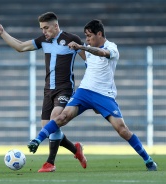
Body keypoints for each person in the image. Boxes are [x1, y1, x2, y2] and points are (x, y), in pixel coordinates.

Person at [28, 19, 158, 171]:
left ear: (99, 34)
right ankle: (37, 140)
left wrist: (82, 47)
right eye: (86, 36)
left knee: (122, 129)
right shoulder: (88, 49)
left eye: (89, 36)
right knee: (62, 117)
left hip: (104, 96)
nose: (87, 39)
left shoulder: (111, 47)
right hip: (84, 92)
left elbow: (102, 53)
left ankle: (148, 159)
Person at [0, 12, 87, 172]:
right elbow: (20, 47)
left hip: (65, 89)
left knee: (54, 118)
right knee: (50, 127)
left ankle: (50, 163)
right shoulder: (44, 40)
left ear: (55, 26)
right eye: (42, 28)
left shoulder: (73, 40)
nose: (43, 31)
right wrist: (3, 33)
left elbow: (89, 61)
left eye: (46, 28)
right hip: (48, 91)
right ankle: (75, 149)